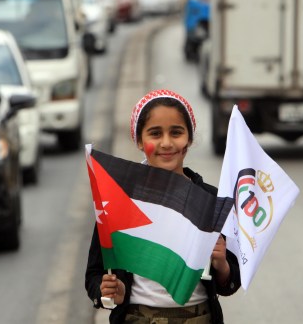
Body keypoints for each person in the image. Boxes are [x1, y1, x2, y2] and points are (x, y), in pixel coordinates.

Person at [85, 89, 241, 323]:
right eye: (155, 134)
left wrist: (221, 264)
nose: (166, 143)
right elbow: (94, 274)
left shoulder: (209, 200)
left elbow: (229, 284)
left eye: (176, 133)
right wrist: (108, 292)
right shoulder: (120, 200)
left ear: (189, 138)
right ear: (139, 140)